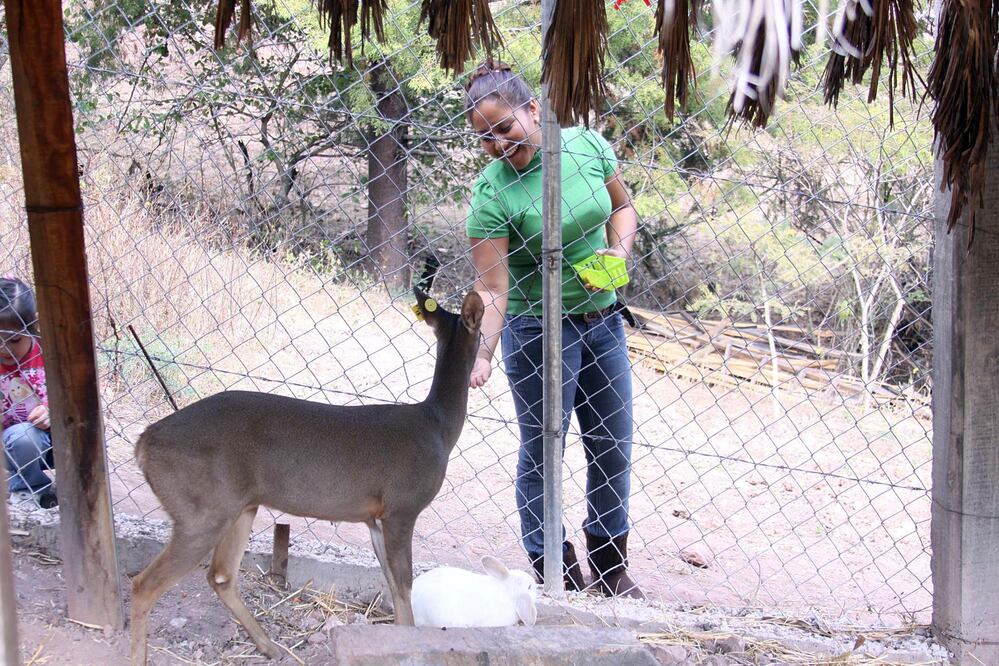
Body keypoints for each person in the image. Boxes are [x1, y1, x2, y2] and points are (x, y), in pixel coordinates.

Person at [464, 61, 642, 598]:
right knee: (544, 450)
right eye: (485, 137)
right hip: (537, 330)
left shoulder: (586, 146)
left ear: (533, 110)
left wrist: (619, 251)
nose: (498, 144)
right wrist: (482, 353)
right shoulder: (492, 194)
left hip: (602, 321)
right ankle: (554, 569)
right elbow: (492, 287)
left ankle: (610, 568)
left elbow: (623, 206)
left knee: (612, 445)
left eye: (504, 127)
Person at [1, 275, 56, 509]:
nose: (4, 349)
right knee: (22, 437)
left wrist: (53, 412)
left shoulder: (51, 352)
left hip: (55, 440)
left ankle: (76, 486)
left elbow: (80, 401)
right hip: (11, 444)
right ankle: (28, 490)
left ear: (33, 324)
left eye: (14, 340)